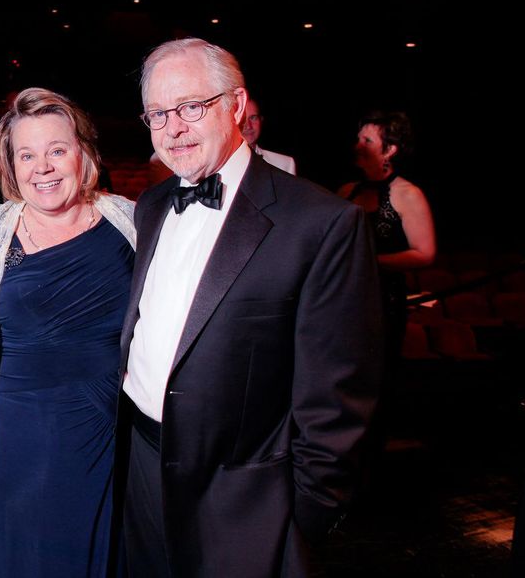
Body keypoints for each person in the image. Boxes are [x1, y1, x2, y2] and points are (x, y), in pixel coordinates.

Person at [120, 38, 383, 577]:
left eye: (191, 106)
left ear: (237, 106)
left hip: (246, 504)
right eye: (158, 114)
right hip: (141, 478)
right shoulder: (148, 207)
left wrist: (301, 518)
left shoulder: (322, 224)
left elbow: (338, 401)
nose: (174, 127)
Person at [0, 87, 136, 577]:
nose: (43, 167)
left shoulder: (130, 220)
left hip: (112, 430)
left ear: (83, 153)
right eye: (27, 155)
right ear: (11, 166)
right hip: (21, 436)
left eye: (57, 150)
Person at [338, 111, 436, 359]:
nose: (357, 146)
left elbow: (425, 254)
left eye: (367, 141)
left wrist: (372, 261)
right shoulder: (347, 191)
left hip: (384, 300)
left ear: (390, 149)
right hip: (345, 297)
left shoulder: (408, 194)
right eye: (358, 139)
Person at [241, 97, 297, 174]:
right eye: (243, 119)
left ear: (261, 120)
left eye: (253, 118)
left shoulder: (285, 164)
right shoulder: (221, 163)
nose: (248, 126)